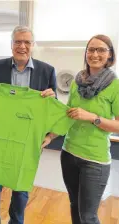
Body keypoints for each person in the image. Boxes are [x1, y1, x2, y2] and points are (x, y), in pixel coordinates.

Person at [0, 25, 57, 224]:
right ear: (11, 45)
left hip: (27, 144)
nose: (22, 46)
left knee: (20, 195)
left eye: (27, 42)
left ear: (33, 45)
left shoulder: (47, 71)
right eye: (18, 42)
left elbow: (52, 110)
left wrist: (52, 100)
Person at [43, 34, 119, 224]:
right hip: (69, 154)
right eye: (91, 49)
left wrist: (93, 117)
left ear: (110, 55)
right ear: (86, 53)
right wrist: (51, 136)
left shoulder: (115, 86)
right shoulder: (77, 81)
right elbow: (69, 116)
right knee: (74, 206)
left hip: (95, 160)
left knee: (88, 216)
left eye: (101, 50)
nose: (95, 54)